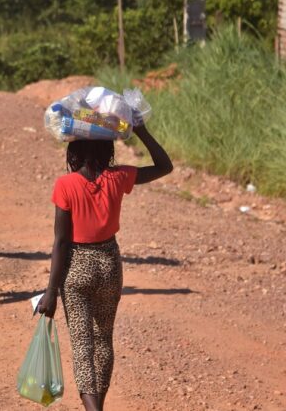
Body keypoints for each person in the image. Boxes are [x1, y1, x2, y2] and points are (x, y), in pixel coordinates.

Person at [37, 126, 173, 411]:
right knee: (103, 340)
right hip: (110, 263)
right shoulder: (119, 176)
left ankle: (93, 409)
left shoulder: (66, 184)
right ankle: (97, 406)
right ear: (107, 149)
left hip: (77, 266)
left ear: (73, 151)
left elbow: (61, 242)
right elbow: (165, 166)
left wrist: (51, 292)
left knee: (82, 344)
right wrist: (143, 132)